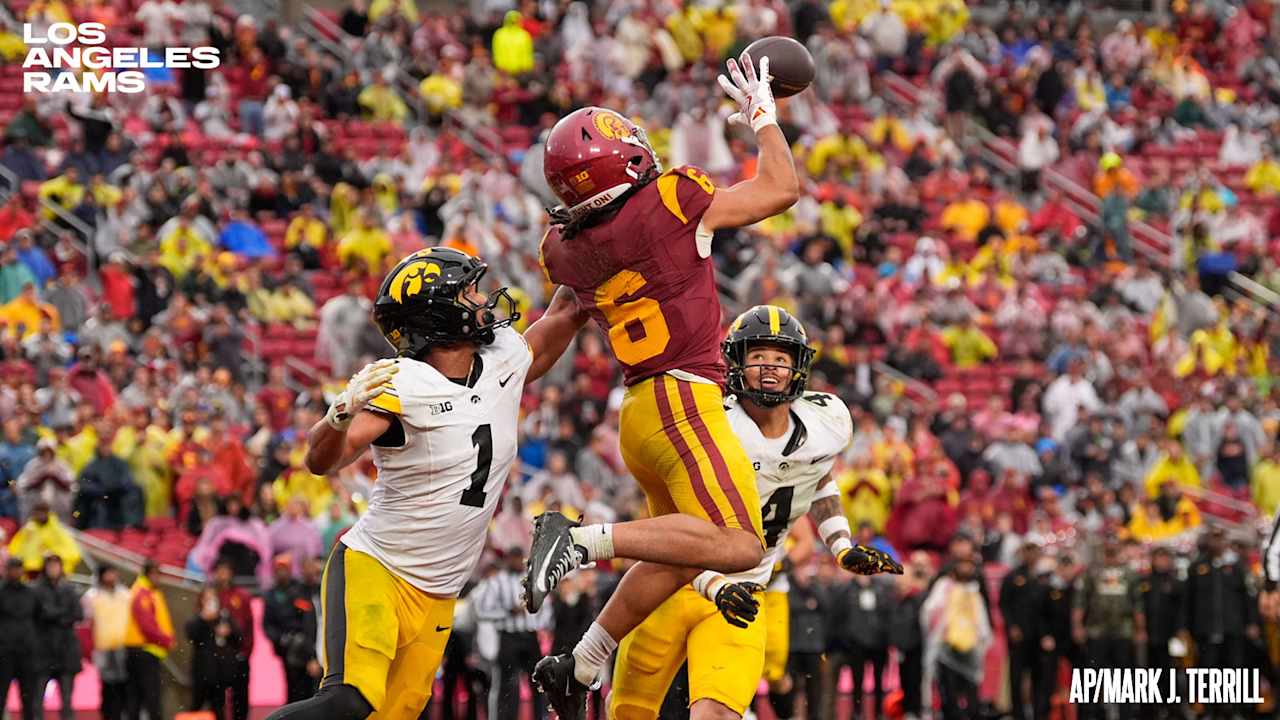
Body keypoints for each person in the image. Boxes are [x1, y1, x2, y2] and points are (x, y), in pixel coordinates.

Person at [526, 51, 805, 718]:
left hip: (639, 414)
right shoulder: (671, 198)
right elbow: (779, 189)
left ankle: (582, 663)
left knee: (683, 550)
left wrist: (494, 383)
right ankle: (579, 540)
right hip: (685, 398)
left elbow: (558, 321)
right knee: (738, 545)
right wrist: (762, 117)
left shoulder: (563, 248)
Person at [264, 245, 587, 720]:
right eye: (469, 293)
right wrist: (336, 415)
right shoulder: (403, 383)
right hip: (380, 569)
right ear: (439, 316)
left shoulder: (501, 359)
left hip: (440, 592)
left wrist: (601, 235)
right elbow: (321, 459)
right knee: (350, 700)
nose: (484, 300)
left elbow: (569, 308)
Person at [607, 306, 900, 720]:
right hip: (672, 585)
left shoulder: (821, 424)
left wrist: (840, 545)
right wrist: (708, 579)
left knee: (719, 715)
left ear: (798, 367)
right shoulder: (711, 424)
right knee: (628, 712)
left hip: (743, 594)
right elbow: (664, 512)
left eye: (781, 359)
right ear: (736, 363)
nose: (770, 369)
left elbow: (817, 477)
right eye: (758, 357)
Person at [471, 548, 549, 720]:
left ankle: (539, 717)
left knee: (537, 683)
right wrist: (506, 612)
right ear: (506, 559)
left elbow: (546, 611)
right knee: (507, 684)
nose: (516, 561)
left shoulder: (533, 580)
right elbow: (481, 610)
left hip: (529, 636)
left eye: (518, 558)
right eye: (512, 558)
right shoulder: (496, 582)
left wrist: (532, 617)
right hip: (508, 636)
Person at [33, 554, 83, 720]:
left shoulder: (69, 589)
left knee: (67, 700)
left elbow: (78, 614)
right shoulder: (36, 590)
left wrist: (53, 615)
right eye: (50, 566)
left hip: (66, 651)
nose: (53, 569)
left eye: (56, 565)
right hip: (43, 652)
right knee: (37, 699)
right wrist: (62, 615)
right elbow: (38, 614)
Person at [124, 560, 174, 720]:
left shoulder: (147, 591)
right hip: (144, 651)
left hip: (143, 651)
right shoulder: (143, 593)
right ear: (148, 574)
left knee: (137, 696)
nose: (158, 578)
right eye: (155, 574)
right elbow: (147, 625)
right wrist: (166, 640)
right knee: (150, 697)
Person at [82, 564, 131, 720]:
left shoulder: (125, 594)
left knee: (124, 685)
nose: (111, 577)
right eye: (108, 574)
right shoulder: (92, 596)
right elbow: (86, 623)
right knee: (107, 686)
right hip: (102, 647)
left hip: (123, 646)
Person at [211, 558, 255, 720]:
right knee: (217, 698)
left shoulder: (242, 596)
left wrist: (246, 651)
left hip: (237, 653)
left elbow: (249, 627)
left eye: (225, 571)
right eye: (219, 571)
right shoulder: (211, 595)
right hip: (217, 656)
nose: (222, 575)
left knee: (240, 697)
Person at [0, 557, 38, 720]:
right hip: (4, 652)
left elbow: (38, 618)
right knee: (1, 695)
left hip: (27, 652)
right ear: (6, 570)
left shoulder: (31, 593)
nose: (15, 572)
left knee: (29, 697)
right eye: (12, 568)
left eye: (18, 568)